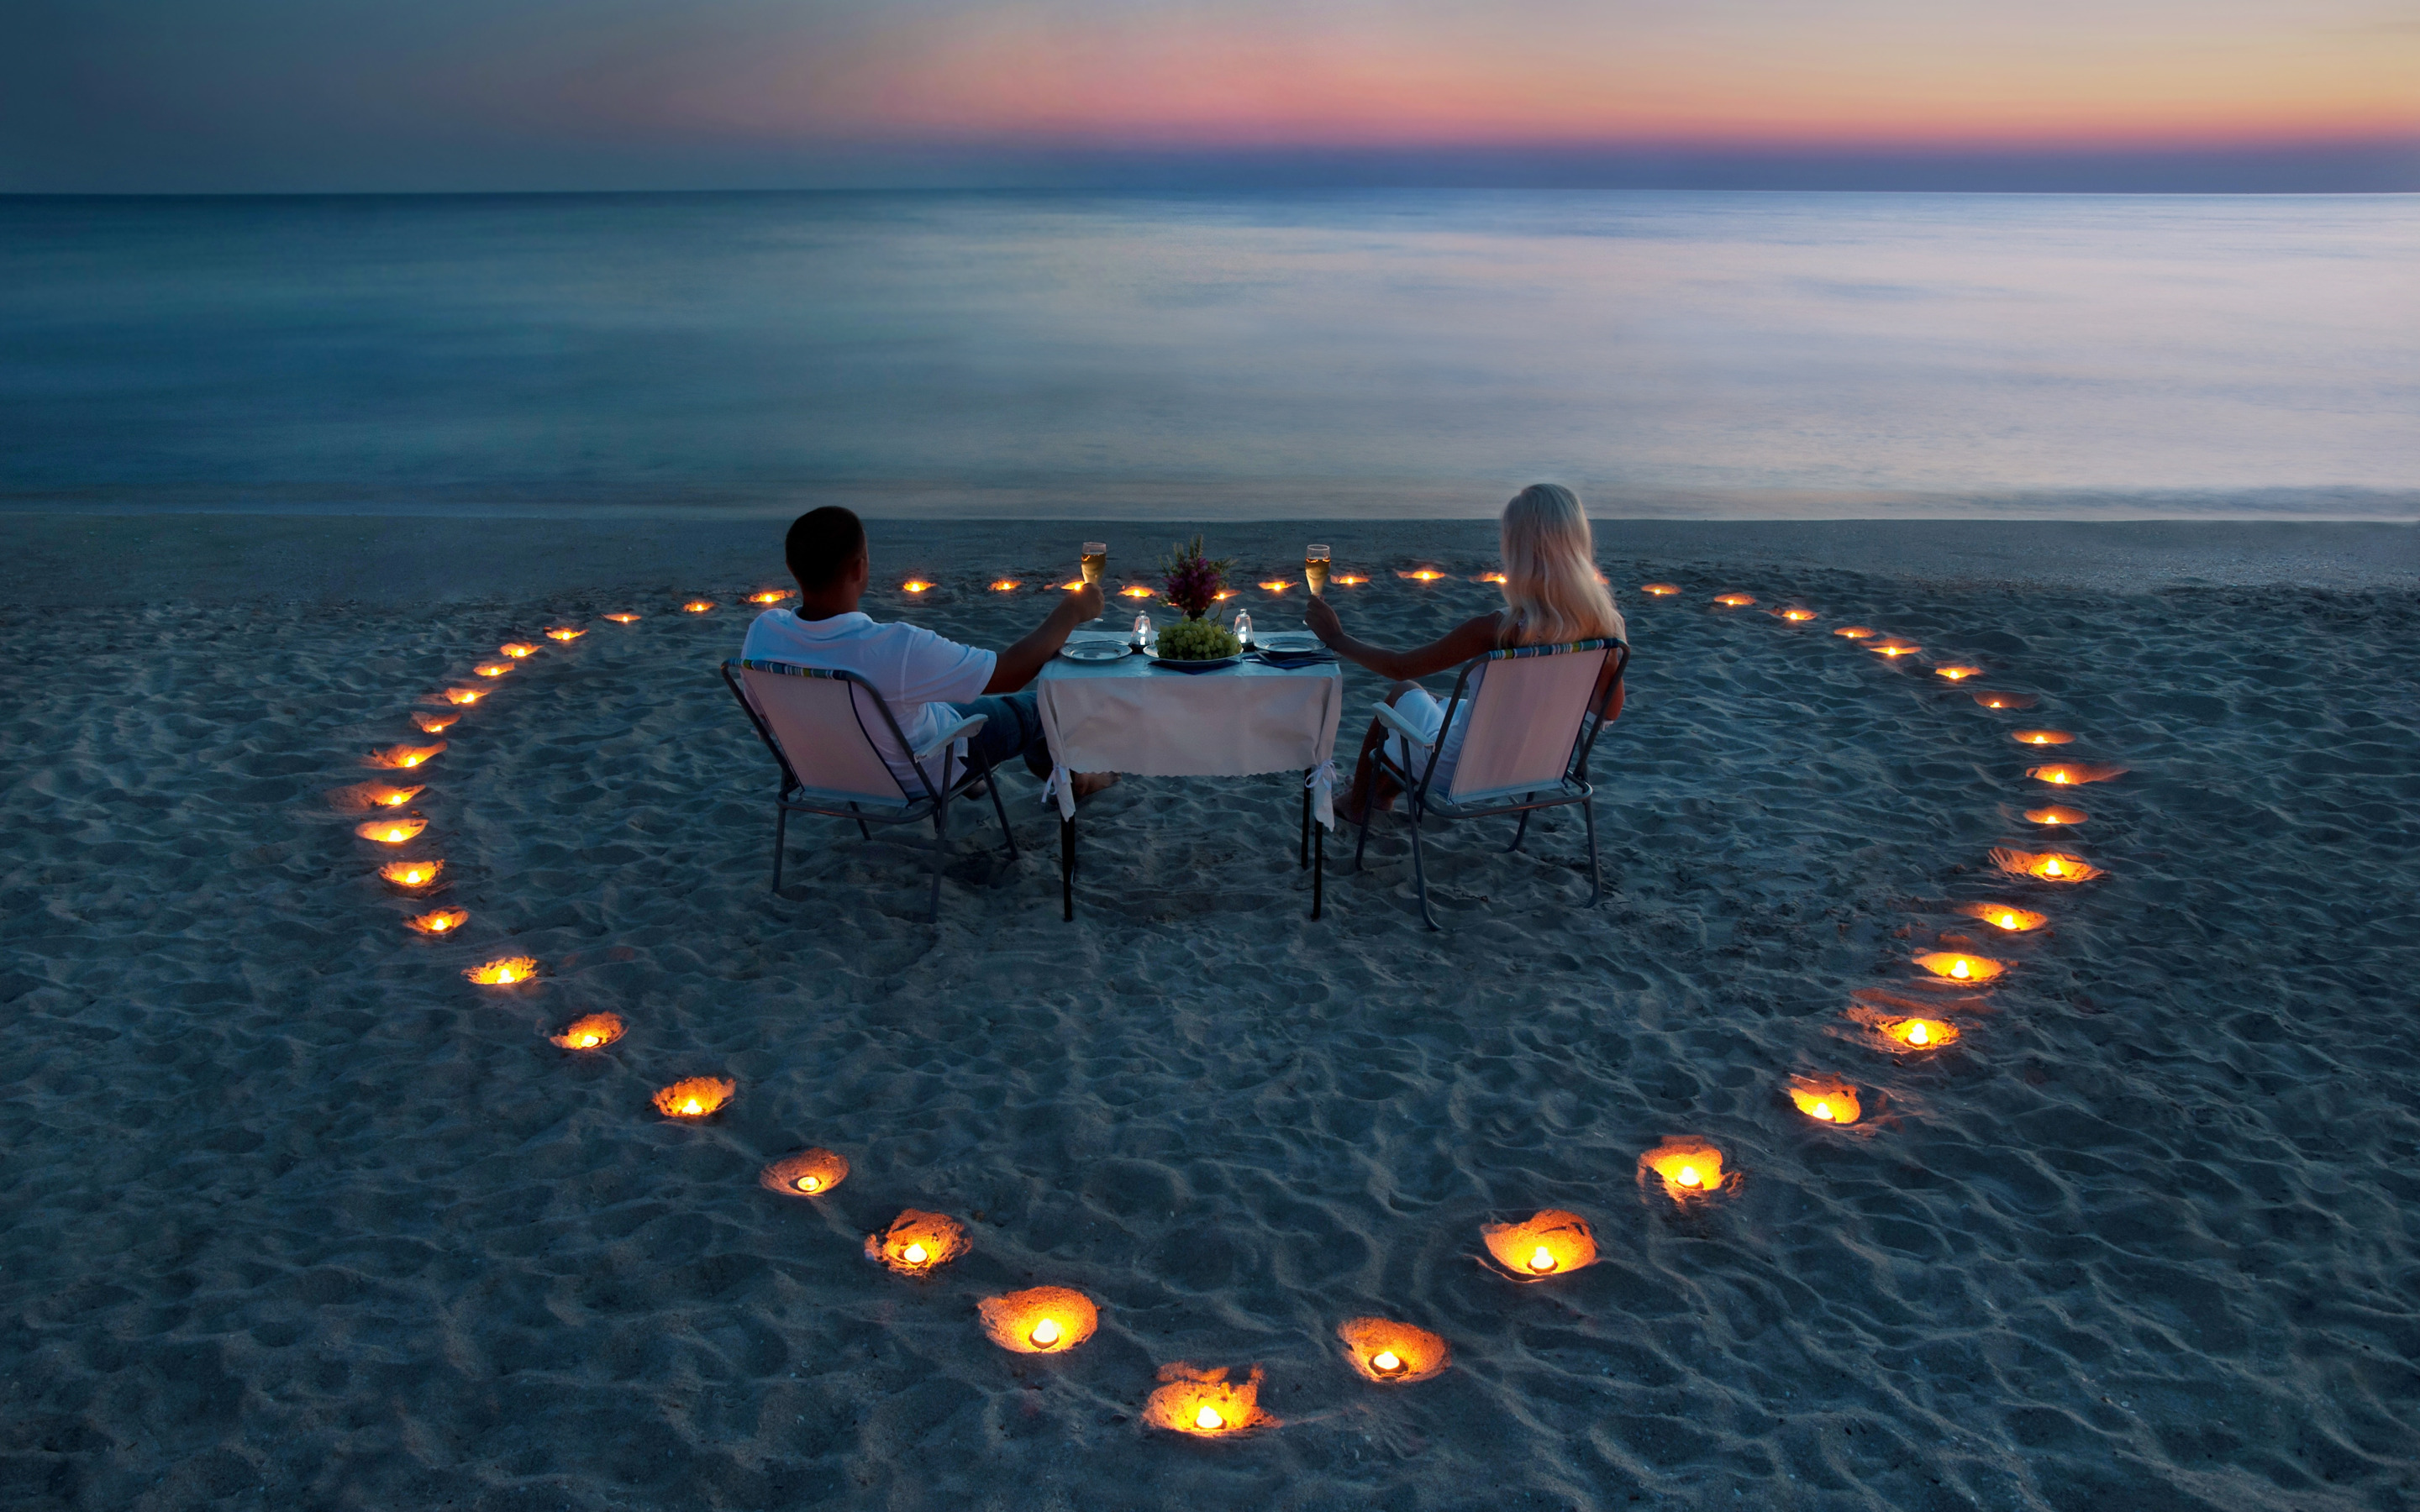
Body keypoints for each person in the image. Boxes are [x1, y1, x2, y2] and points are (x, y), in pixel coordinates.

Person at [1302, 484, 1627, 822]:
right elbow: (1608, 715)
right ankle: (1379, 795)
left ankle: (1358, 806)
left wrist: (1337, 638)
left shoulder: (1497, 630)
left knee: (1404, 694)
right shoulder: (1604, 637)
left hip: (1462, 772)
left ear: (1518, 550)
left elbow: (1400, 666)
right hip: (1539, 768)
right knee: (1441, 705)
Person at [741, 507, 1116, 798]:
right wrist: (1071, 612)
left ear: (791, 568)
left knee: (935, 710)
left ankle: (977, 780)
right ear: (860, 568)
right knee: (1040, 705)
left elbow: (765, 721)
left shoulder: (763, 633)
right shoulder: (894, 647)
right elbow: (1009, 674)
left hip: (829, 772)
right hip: (920, 771)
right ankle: (1079, 781)